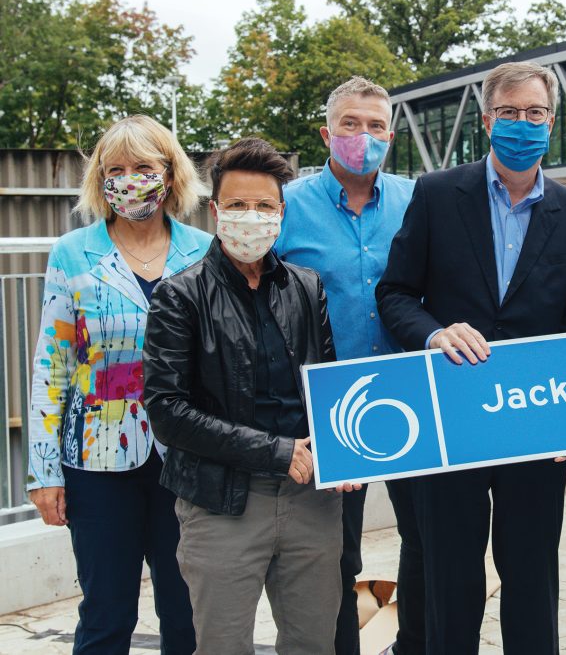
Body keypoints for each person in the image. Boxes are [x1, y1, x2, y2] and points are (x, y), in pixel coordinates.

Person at [376, 60, 566, 655]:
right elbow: (395, 293)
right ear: (486, 120)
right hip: (452, 418)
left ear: (552, 123)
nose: (522, 124)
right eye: (510, 113)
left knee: (532, 576)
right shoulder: (436, 194)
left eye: (535, 114)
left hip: (535, 423)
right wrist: (432, 333)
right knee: (450, 577)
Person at [142, 137, 343, 654]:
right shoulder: (179, 294)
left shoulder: (307, 286)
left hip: (310, 498)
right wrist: (276, 453)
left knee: (312, 643)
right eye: (236, 205)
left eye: (263, 206)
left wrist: (346, 454)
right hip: (221, 502)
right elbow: (167, 411)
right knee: (224, 645)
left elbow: (328, 386)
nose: (250, 217)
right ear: (214, 211)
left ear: (281, 212)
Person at [25, 114, 208, 654]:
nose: (130, 179)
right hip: (98, 463)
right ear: (100, 179)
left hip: (189, 458)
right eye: (117, 169)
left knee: (189, 611)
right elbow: (52, 364)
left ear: (170, 174)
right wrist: (43, 470)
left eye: (144, 167)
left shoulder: (203, 250)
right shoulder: (73, 252)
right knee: (106, 614)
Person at [276, 76, 421, 655]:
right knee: (336, 552)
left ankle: (416, 643)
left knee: (428, 538)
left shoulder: (417, 200)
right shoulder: (288, 207)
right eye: (350, 124)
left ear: (392, 133)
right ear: (326, 133)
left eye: (376, 125)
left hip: (415, 391)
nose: (364, 136)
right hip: (329, 401)